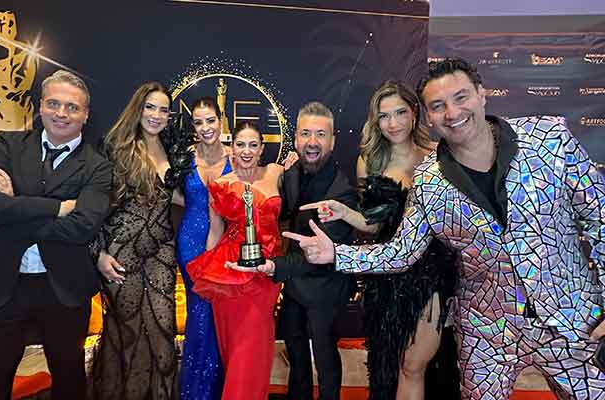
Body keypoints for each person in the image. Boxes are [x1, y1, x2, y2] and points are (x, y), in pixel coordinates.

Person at [288, 57, 605, 400]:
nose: (452, 113)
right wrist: (336, 253)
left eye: (461, 97)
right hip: (488, 332)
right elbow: (401, 251)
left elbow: (600, 218)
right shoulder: (427, 182)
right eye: (438, 106)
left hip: (574, 323)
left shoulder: (548, 139)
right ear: (429, 115)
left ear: (482, 95)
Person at [299, 81, 459, 399]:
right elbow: (373, 227)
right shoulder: (370, 160)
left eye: (400, 112)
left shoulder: (439, 157)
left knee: (417, 364)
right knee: (389, 364)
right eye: (384, 116)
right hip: (386, 274)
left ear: (415, 113)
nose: (393, 123)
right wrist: (344, 211)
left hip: (430, 277)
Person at [0, 70, 111, 400]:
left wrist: (11, 206)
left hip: (64, 289)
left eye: (72, 107)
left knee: (69, 383)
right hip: (1, 284)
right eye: (54, 104)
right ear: (40, 107)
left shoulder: (97, 165)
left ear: (85, 114)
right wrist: (55, 208)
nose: (62, 113)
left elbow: (82, 227)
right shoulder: (7, 144)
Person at [232, 102, 358, 400]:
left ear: (333, 140)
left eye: (320, 134)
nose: (312, 141)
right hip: (293, 289)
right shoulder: (290, 174)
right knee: (295, 353)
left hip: (325, 288)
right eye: (305, 133)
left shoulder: (343, 191)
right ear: (296, 138)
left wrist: (273, 266)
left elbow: (317, 257)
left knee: (325, 361)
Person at [89, 82, 182, 399]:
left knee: (162, 336)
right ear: (138, 108)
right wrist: (98, 253)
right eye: (150, 107)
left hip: (161, 253)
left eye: (163, 109)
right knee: (125, 337)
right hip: (120, 254)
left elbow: (181, 196)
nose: (156, 115)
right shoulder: (116, 146)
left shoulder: (171, 148)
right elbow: (96, 206)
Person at [187, 121, 283, 400]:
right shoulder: (220, 185)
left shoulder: (275, 173)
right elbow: (215, 230)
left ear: (262, 149)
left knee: (257, 348)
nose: (246, 151)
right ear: (231, 148)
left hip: (267, 273)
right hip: (231, 273)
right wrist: (206, 272)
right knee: (239, 351)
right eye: (241, 144)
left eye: (253, 145)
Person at [175, 97, 229, 399]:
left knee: (220, 313)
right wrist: (196, 204)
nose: (205, 127)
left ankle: (220, 388)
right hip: (191, 244)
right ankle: (196, 392)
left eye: (210, 120)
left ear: (220, 121)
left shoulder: (237, 156)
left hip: (224, 245)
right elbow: (169, 194)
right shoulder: (185, 158)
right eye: (198, 122)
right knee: (199, 313)